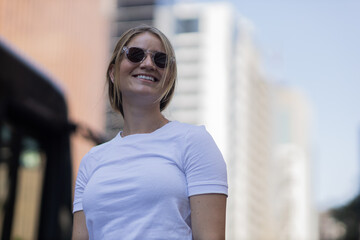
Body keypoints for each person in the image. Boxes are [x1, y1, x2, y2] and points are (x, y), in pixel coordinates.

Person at [72, 25, 228, 240]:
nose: (147, 64)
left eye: (160, 60)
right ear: (112, 72)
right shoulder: (92, 160)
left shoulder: (194, 142)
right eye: (135, 55)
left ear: (169, 76)